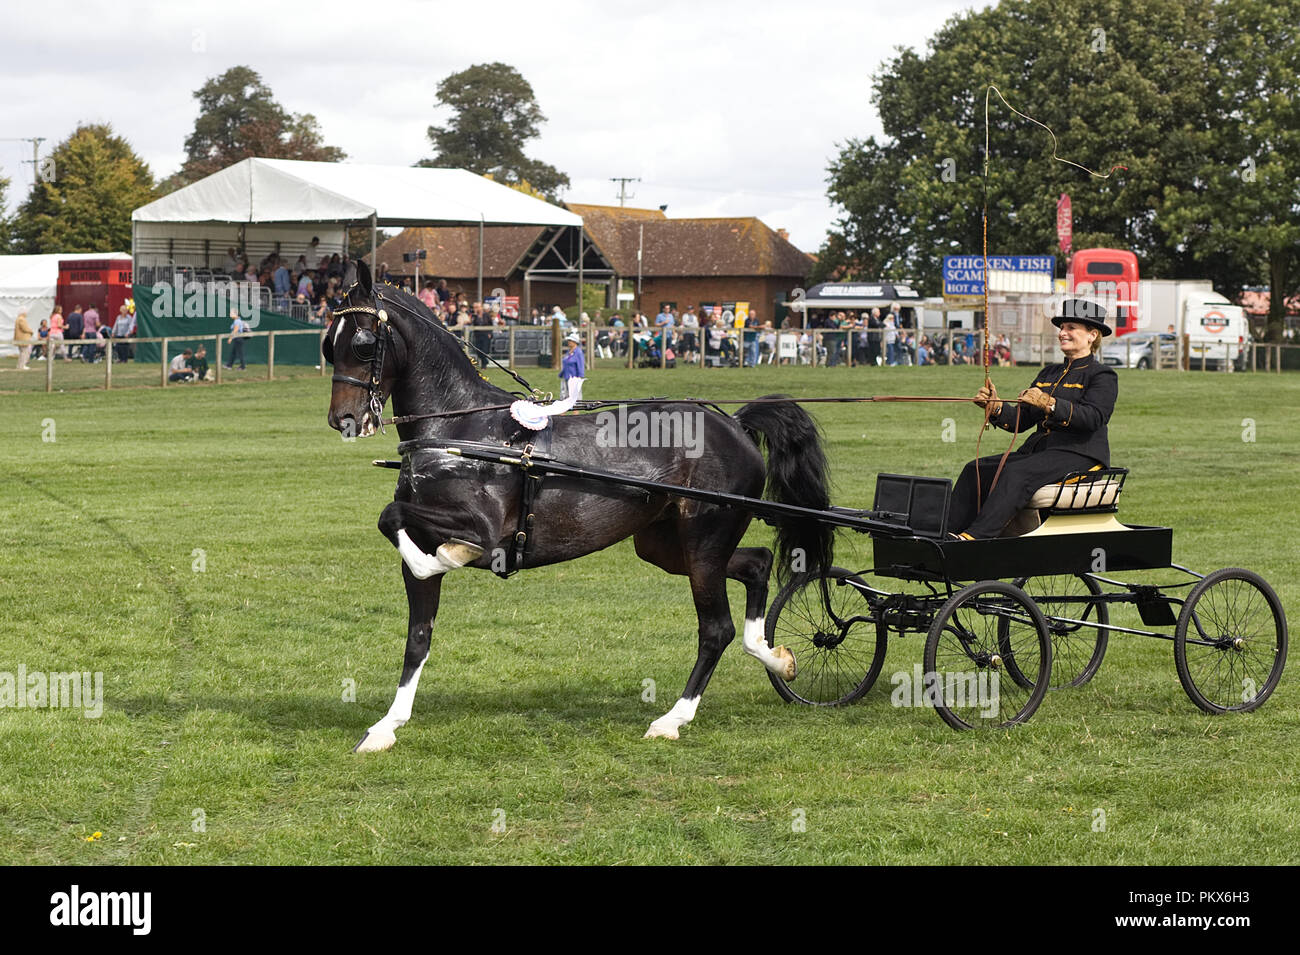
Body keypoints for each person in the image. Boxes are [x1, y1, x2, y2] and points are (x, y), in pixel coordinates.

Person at [946, 299, 1118, 540]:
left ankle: (975, 538)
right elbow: (1021, 419)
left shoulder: (1102, 375)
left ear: (1092, 335)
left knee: (1017, 473)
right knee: (975, 468)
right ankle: (947, 534)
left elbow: (1094, 418)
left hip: (1081, 456)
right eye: (1061, 328)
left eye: (1070, 328)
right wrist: (995, 408)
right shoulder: (1049, 373)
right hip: (1042, 452)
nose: (1062, 333)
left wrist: (1050, 404)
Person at [559, 330, 585, 400]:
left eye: (570, 340)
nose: (568, 342)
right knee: (564, 398)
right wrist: (561, 374)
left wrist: (579, 377)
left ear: (574, 342)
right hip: (566, 377)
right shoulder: (568, 352)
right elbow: (566, 363)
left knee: (575, 398)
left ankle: (576, 411)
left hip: (574, 378)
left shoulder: (578, 352)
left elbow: (580, 365)